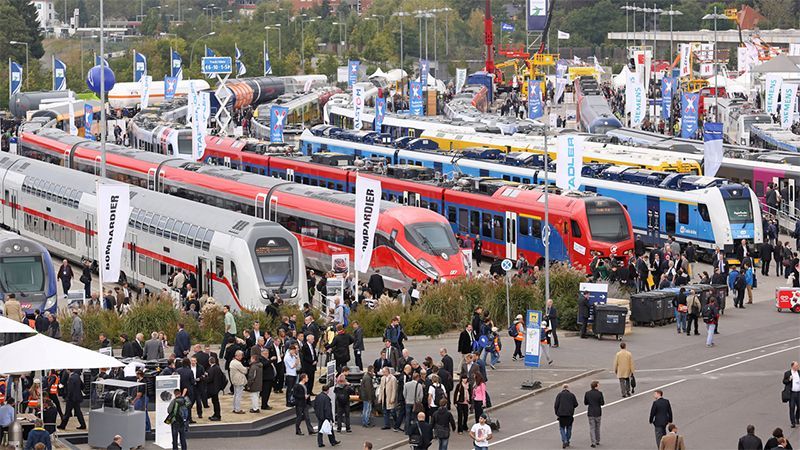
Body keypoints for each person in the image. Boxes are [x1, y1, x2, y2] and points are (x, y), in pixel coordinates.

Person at [554, 384, 578, 449]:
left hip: (561, 414)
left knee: (562, 428)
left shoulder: (559, 395)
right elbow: (576, 404)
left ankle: (564, 440)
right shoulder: (572, 395)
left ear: (562, 388)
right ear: (568, 388)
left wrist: (557, 413)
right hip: (569, 414)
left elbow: (556, 405)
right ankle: (567, 440)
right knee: (569, 428)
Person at [377, 367, 399, 431]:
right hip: (384, 397)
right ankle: (387, 425)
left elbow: (394, 389)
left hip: (389, 397)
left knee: (393, 411)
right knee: (385, 412)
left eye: (384, 372)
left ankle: (396, 423)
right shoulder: (382, 378)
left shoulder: (393, 378)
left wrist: (392, 398)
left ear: (387, 371)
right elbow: (381, 389)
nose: (383, 373)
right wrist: (380, 398)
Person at [584, 380, 604, 448]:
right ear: (596, 386)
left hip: (591, 412)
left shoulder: (587, 393)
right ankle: (597, 440)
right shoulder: (599, 393)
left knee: (592, 427)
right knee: (597, 427)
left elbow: (585, 403)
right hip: (598, 412)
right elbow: (602, 403)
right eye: (598, 385)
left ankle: (593, 442)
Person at [206, 356, 225, 421]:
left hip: (213, 388)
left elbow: (209, 379)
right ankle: (216, 414)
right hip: (217, 387)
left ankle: (217, 415)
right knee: (215, 402)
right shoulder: (217, 367)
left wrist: (204, 378)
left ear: (209, 362)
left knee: (215, 402)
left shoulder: (212, 369)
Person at [229, 350, 247, 414]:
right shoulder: (237, 363)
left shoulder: (232, 361)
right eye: (241, 355)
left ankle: (235, 408)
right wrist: (246, 368)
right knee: (238, 395)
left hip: (235, 380)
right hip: (239, 381)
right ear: (238, 356)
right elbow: (244, 371)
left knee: (236, 395)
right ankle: (237, 409)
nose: (242, 357)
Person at [334, 367, 352, 432]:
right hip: (346, 401)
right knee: (347, 415)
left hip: (339, 401)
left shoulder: (337, 386)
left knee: (339, 416)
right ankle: (348, 428)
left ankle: (339, 428)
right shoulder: (346, 386)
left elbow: (334, 391)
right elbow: (351, 391)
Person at [783, 361, 800, 428]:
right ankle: (793, 422)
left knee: (799, 407)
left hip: (798, 392)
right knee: (792, 407)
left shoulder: (799, 372)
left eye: (797, 366)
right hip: (792, 393)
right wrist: (789, 379)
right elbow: (784, 381)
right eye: (796, 366)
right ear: (792, 366)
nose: (797, 367)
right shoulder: (787, 373)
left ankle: (797, 418)